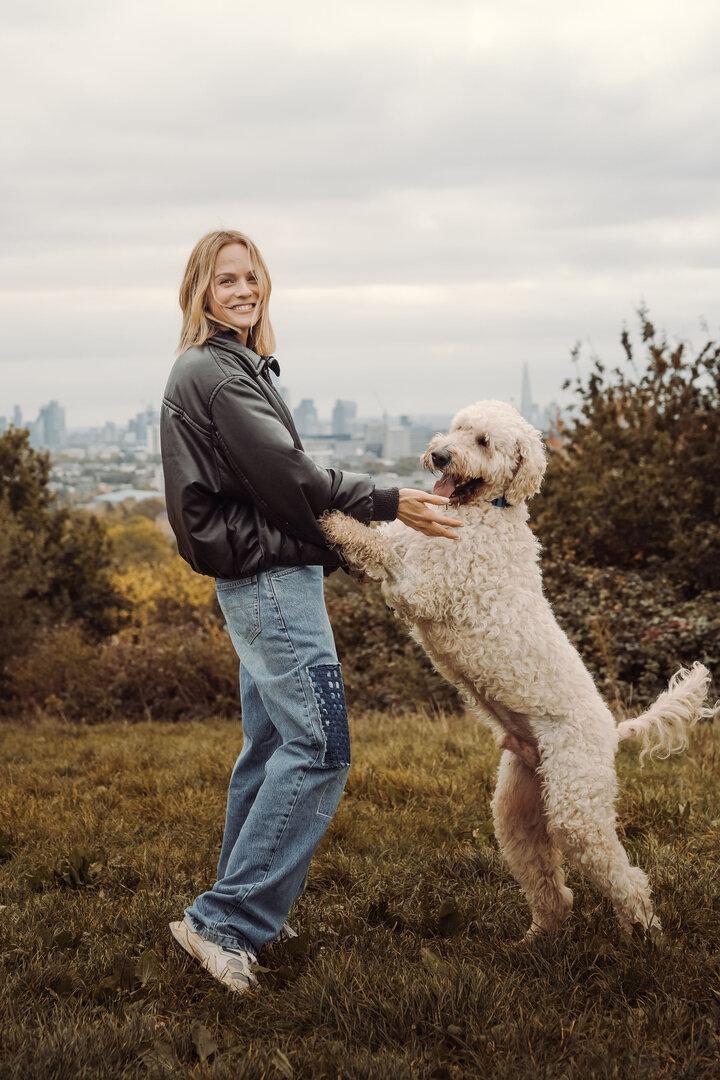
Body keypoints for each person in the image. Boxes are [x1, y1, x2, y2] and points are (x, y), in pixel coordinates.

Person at [161, 229, 462, 993]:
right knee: (321, 746)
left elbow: (272, 482)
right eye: (226, 279)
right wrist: (389, 501)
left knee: (270, 749)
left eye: (252, 277)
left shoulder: (227, 367)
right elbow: (290, 476)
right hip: (269, 580)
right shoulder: (219, 375)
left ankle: (243, 908)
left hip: (266, 577)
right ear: (200, 290)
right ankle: (225, 921)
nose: (244, 289)